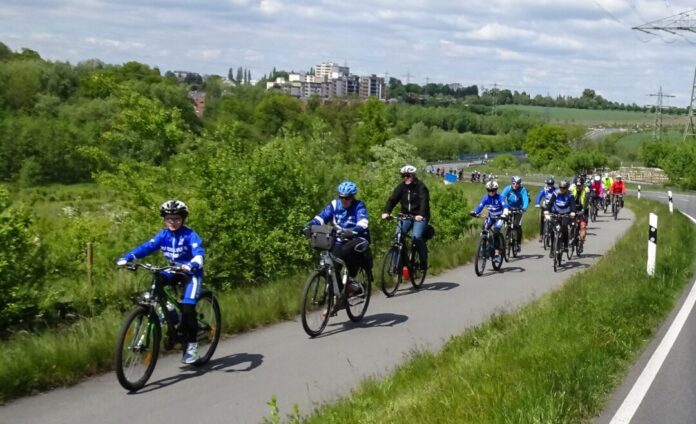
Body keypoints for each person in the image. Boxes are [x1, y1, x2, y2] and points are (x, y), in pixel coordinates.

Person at [116, 200, 204, 364]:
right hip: (172, 270)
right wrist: (127, 258)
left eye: (176, 218)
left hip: (191, 273)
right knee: (156, 282)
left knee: (188, 307)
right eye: (169, 218)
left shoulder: (190, 235)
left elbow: (198, 253)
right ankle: (169, 311)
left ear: (183, 219)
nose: (172, 221)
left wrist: (192, 264)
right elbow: (147, 247)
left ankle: (191, 346)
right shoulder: (163, 235)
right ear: (164, 219)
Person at [306, 181, 371, 301]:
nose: (344, 200)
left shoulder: (359, 206)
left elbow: (363, 221)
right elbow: (322, 217)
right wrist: (310, 226)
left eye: (348, 198)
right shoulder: (335, 205)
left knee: (347, 251)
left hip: (358, 237)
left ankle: (352, 280)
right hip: (340, 238)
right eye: (342, 197)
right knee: (332, 264)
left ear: (353, 197)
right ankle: (341, 293)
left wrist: (354, 231)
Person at [381, 165, 430, 271]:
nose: (405, 178)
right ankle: (397, 266)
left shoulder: (421, 187)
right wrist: (386, 212)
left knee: (416, 237)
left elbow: (424, 202)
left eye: (408, 175)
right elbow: (392, 200)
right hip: (405, 216)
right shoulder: (401, 187)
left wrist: (420, 214)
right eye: (403, 176)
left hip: (420, 216)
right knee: (397, 237)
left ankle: (423, 261)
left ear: (413, 175)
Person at [469, 180, 509, 261]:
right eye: (489, 190)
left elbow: (505, 207)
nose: (491, 192)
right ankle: (485, 246)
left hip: (499, 217)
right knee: (484, 229)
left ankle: (497, 253)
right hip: (491, 217)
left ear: (496, 190)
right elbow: (480, 206)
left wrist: (505, 214)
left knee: (496, 231)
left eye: (493, 190)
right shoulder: (485, 198)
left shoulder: (500, 198)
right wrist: (475, 212)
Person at [544, 180, 576, 254]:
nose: (562, 189)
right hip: (556, 213)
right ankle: (552, 248)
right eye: (560, 187)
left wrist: (573, 212)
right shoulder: (555, 193)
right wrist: (547, 210)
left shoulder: (570, 195)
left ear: (567, 188)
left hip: (566, 214)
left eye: (564, 188)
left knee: (564, 226)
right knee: (553, 230)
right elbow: (550, 203)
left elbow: (572, 204)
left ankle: (565, 245)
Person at [500, 176, 529, 250]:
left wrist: (524, 208)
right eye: (513, 183)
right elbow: (502, 197)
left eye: (517, 183)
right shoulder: (508, 188)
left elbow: (525, 199)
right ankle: (506, 237)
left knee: (517, 225)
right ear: (511, 183)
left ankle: (518, 243)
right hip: (508, 208)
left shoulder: (523, 190)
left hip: (519, 209)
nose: (515, 185)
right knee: (505, 223)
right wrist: (504, 207)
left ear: (520, 184)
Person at [534, 177, 557, 242]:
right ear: (546, 184)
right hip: (545, 206)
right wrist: (537, 203)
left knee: (553, 219)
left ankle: (554, 233)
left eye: (551, 184)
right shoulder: (544, 189)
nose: (550, 186)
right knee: (542, 220)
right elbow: (539, 196)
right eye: (548, 184)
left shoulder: (555, 190)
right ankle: (541, 235)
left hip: (552, 207)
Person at [570, 178, 590, 244]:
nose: (578, 187)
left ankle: (581, 241)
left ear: (582, 185)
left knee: (583, 225)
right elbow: (568, 198)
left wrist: (584, 209)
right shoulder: (572, 188)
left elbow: (587, 200)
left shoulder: (586, 190)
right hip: (574, 207)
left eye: (580, 185)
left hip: (584, 207)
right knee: (571, 223)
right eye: (577, 185)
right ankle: (572, 236)